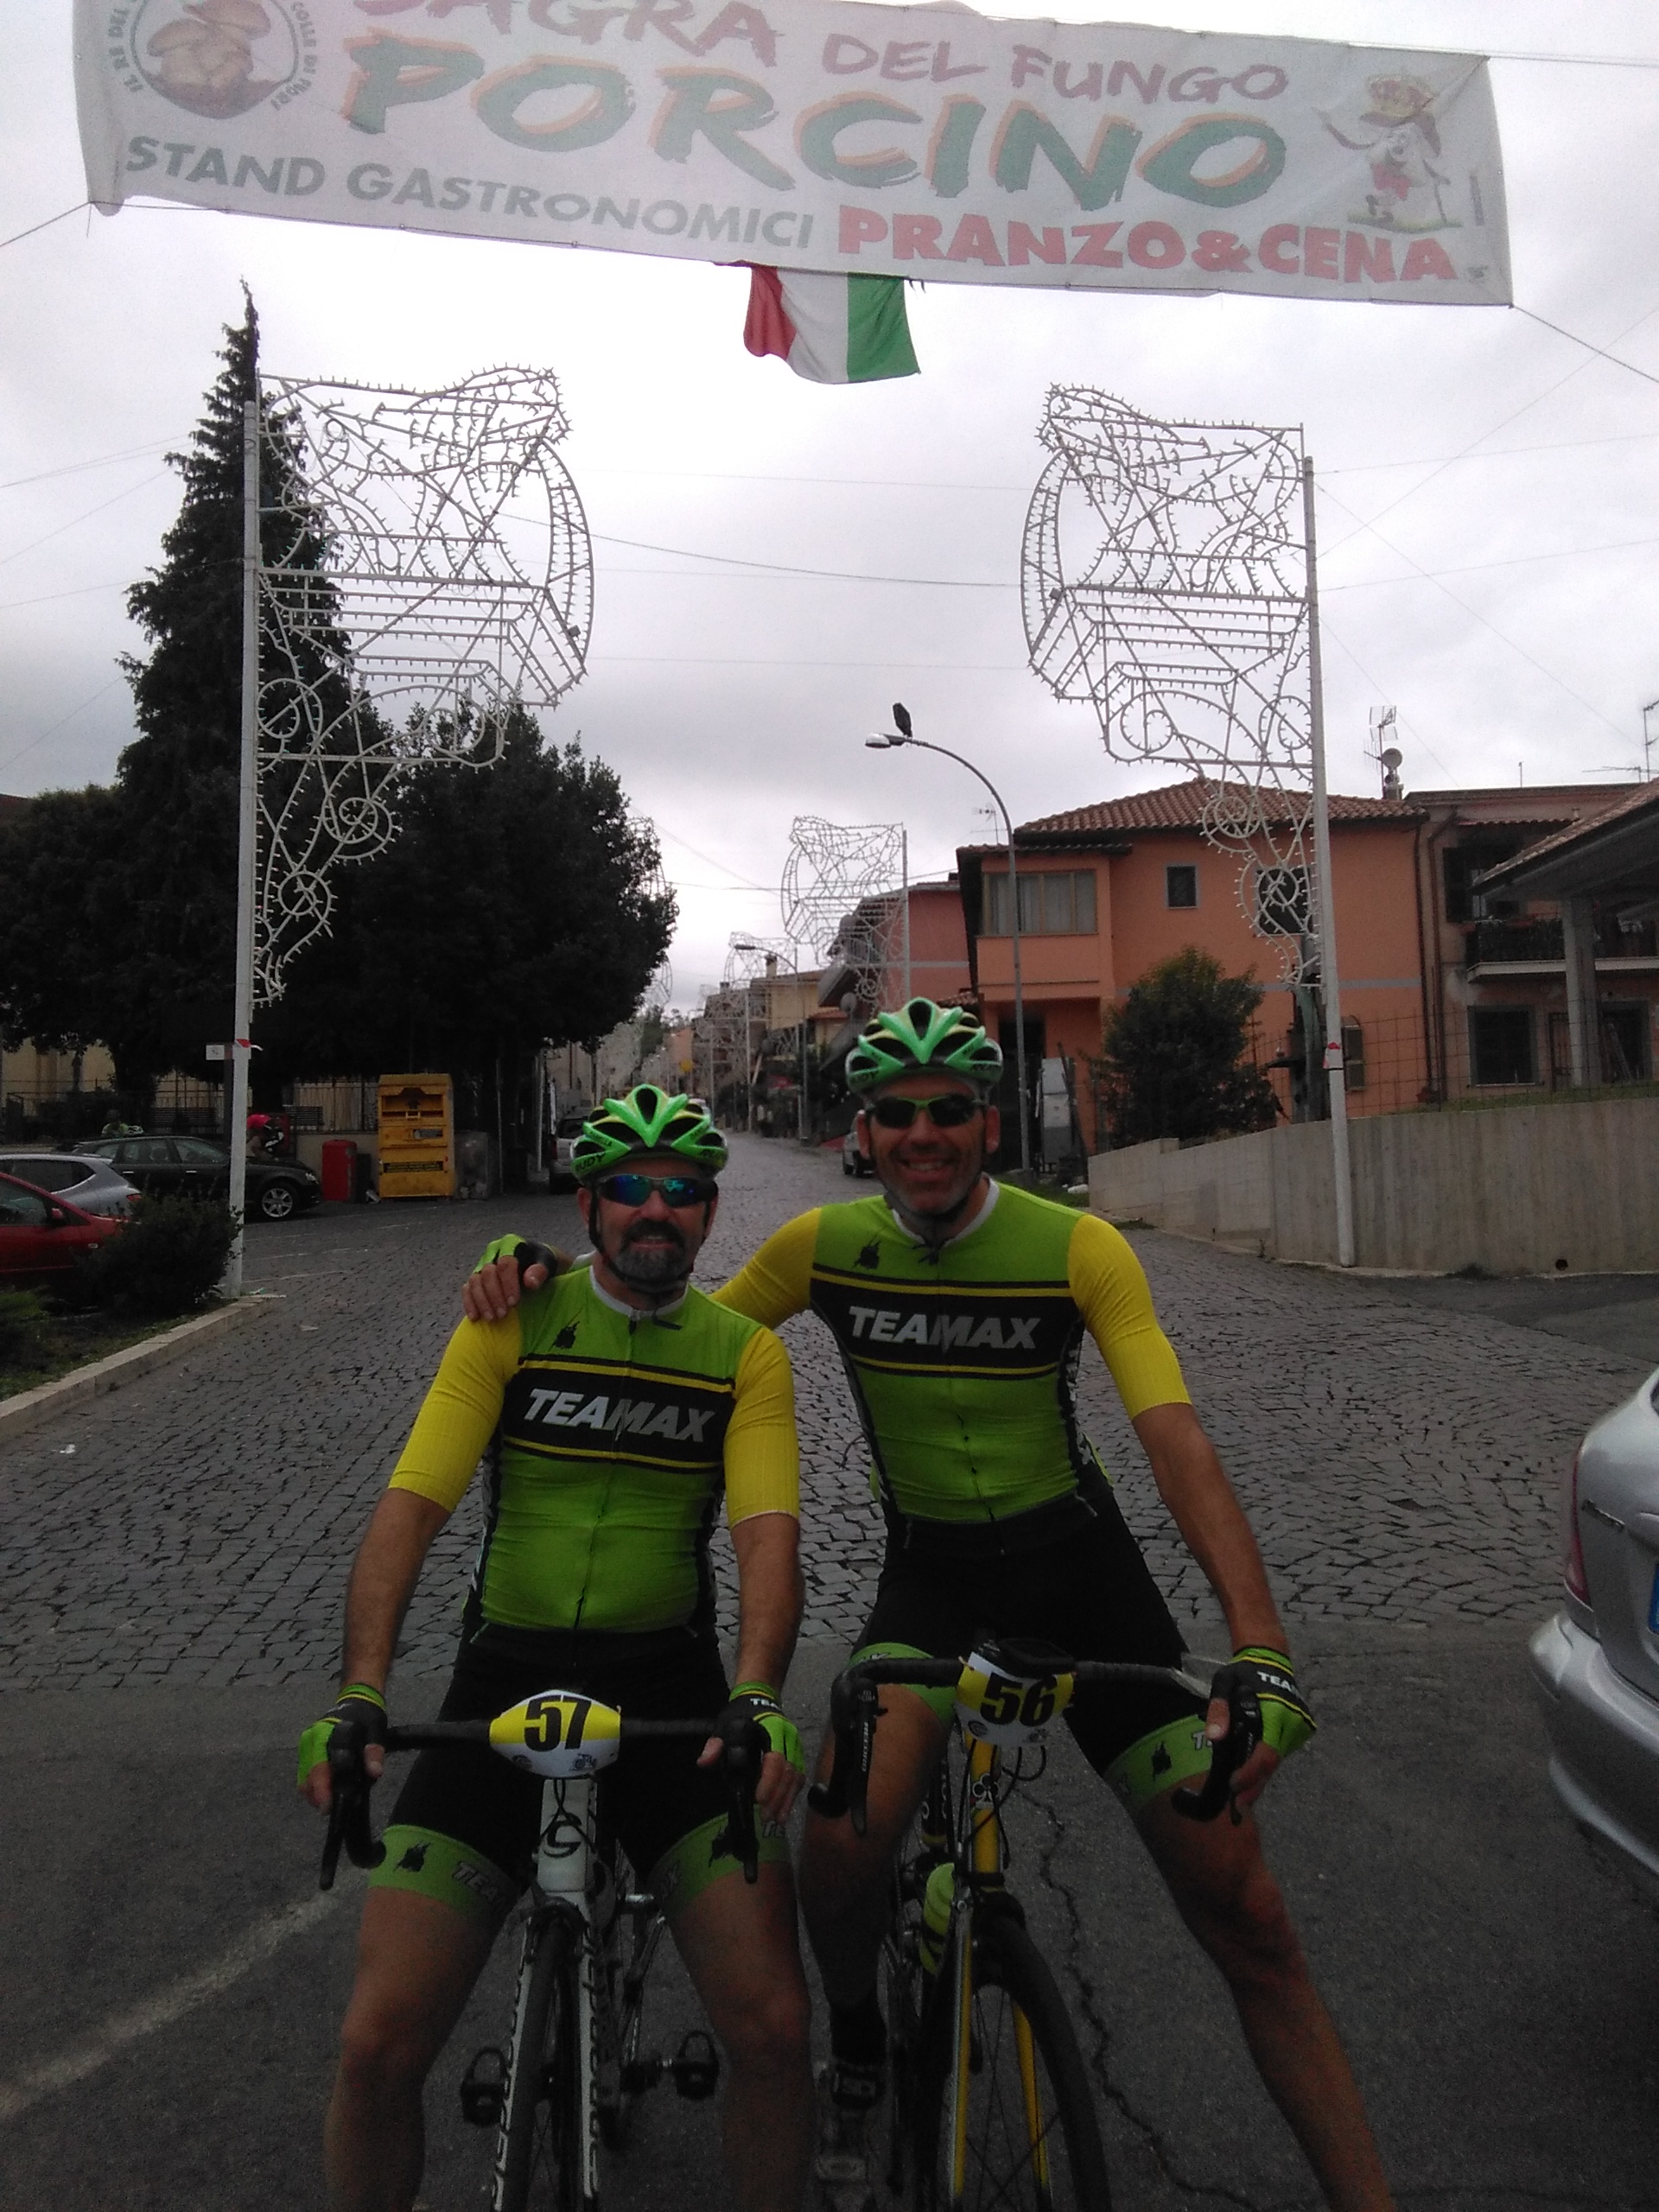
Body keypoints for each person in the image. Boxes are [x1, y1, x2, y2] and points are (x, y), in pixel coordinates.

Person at [465, 1006, 1395, 2212]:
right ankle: (858, 2035)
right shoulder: (823, 1246)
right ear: (863, 1132)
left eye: (949, 1110)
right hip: (932, 1578)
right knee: (841, 1857)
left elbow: (1174, 1439)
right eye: (895, 1114)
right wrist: (540, 1274)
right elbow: (678, 1322)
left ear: (986, 1125)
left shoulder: (1076, 1247)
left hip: (1083, 1575)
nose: (923, 1134)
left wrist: (1260, 1648)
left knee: (1250, 1913)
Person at [302, 1085, 814, 2212]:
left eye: (681, 1190)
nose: (654, 1208)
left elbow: (768, 1541)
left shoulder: (744, 1357)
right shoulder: (510, 1324)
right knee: (376, 2045)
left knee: (777, 2032)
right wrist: (360, 1692)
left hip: (670, 1689)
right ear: (587, 1207)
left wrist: (759, 1693)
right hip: (503, 1680)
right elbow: (409, 1512)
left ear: (709, 1214)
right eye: (628, 1186)